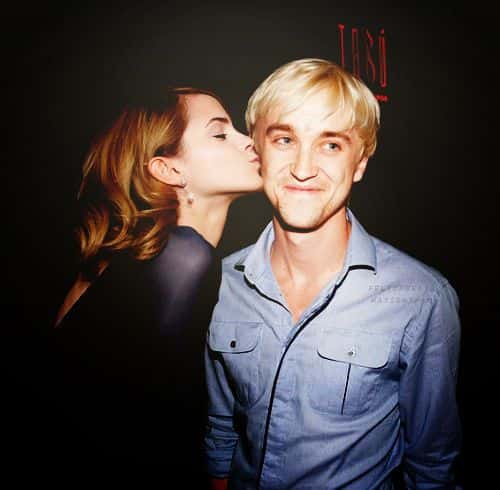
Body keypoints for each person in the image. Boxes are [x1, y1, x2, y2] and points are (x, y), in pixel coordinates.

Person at [204, 59, 462, 489]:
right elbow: (221, 431)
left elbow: (433, 464)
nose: (303, 168)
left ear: (359, 163)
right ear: (258, 151)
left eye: (331, 145)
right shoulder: (225, 280)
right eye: (285, 139)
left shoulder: (421, 297)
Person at [41, 87, 262, 471]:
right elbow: (150, 425)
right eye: (219, 133)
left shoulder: (134, 256)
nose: (248, 141)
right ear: (169, 169)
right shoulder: (183, 260)